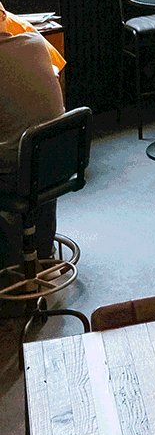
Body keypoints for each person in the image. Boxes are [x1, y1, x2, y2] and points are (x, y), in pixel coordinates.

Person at [0, 26, 67, 264]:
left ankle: (11, 262)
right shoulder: (36, 41)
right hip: (63, 163)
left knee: (21, 159)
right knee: (36, 153)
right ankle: (43, 250)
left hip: (15, 176)